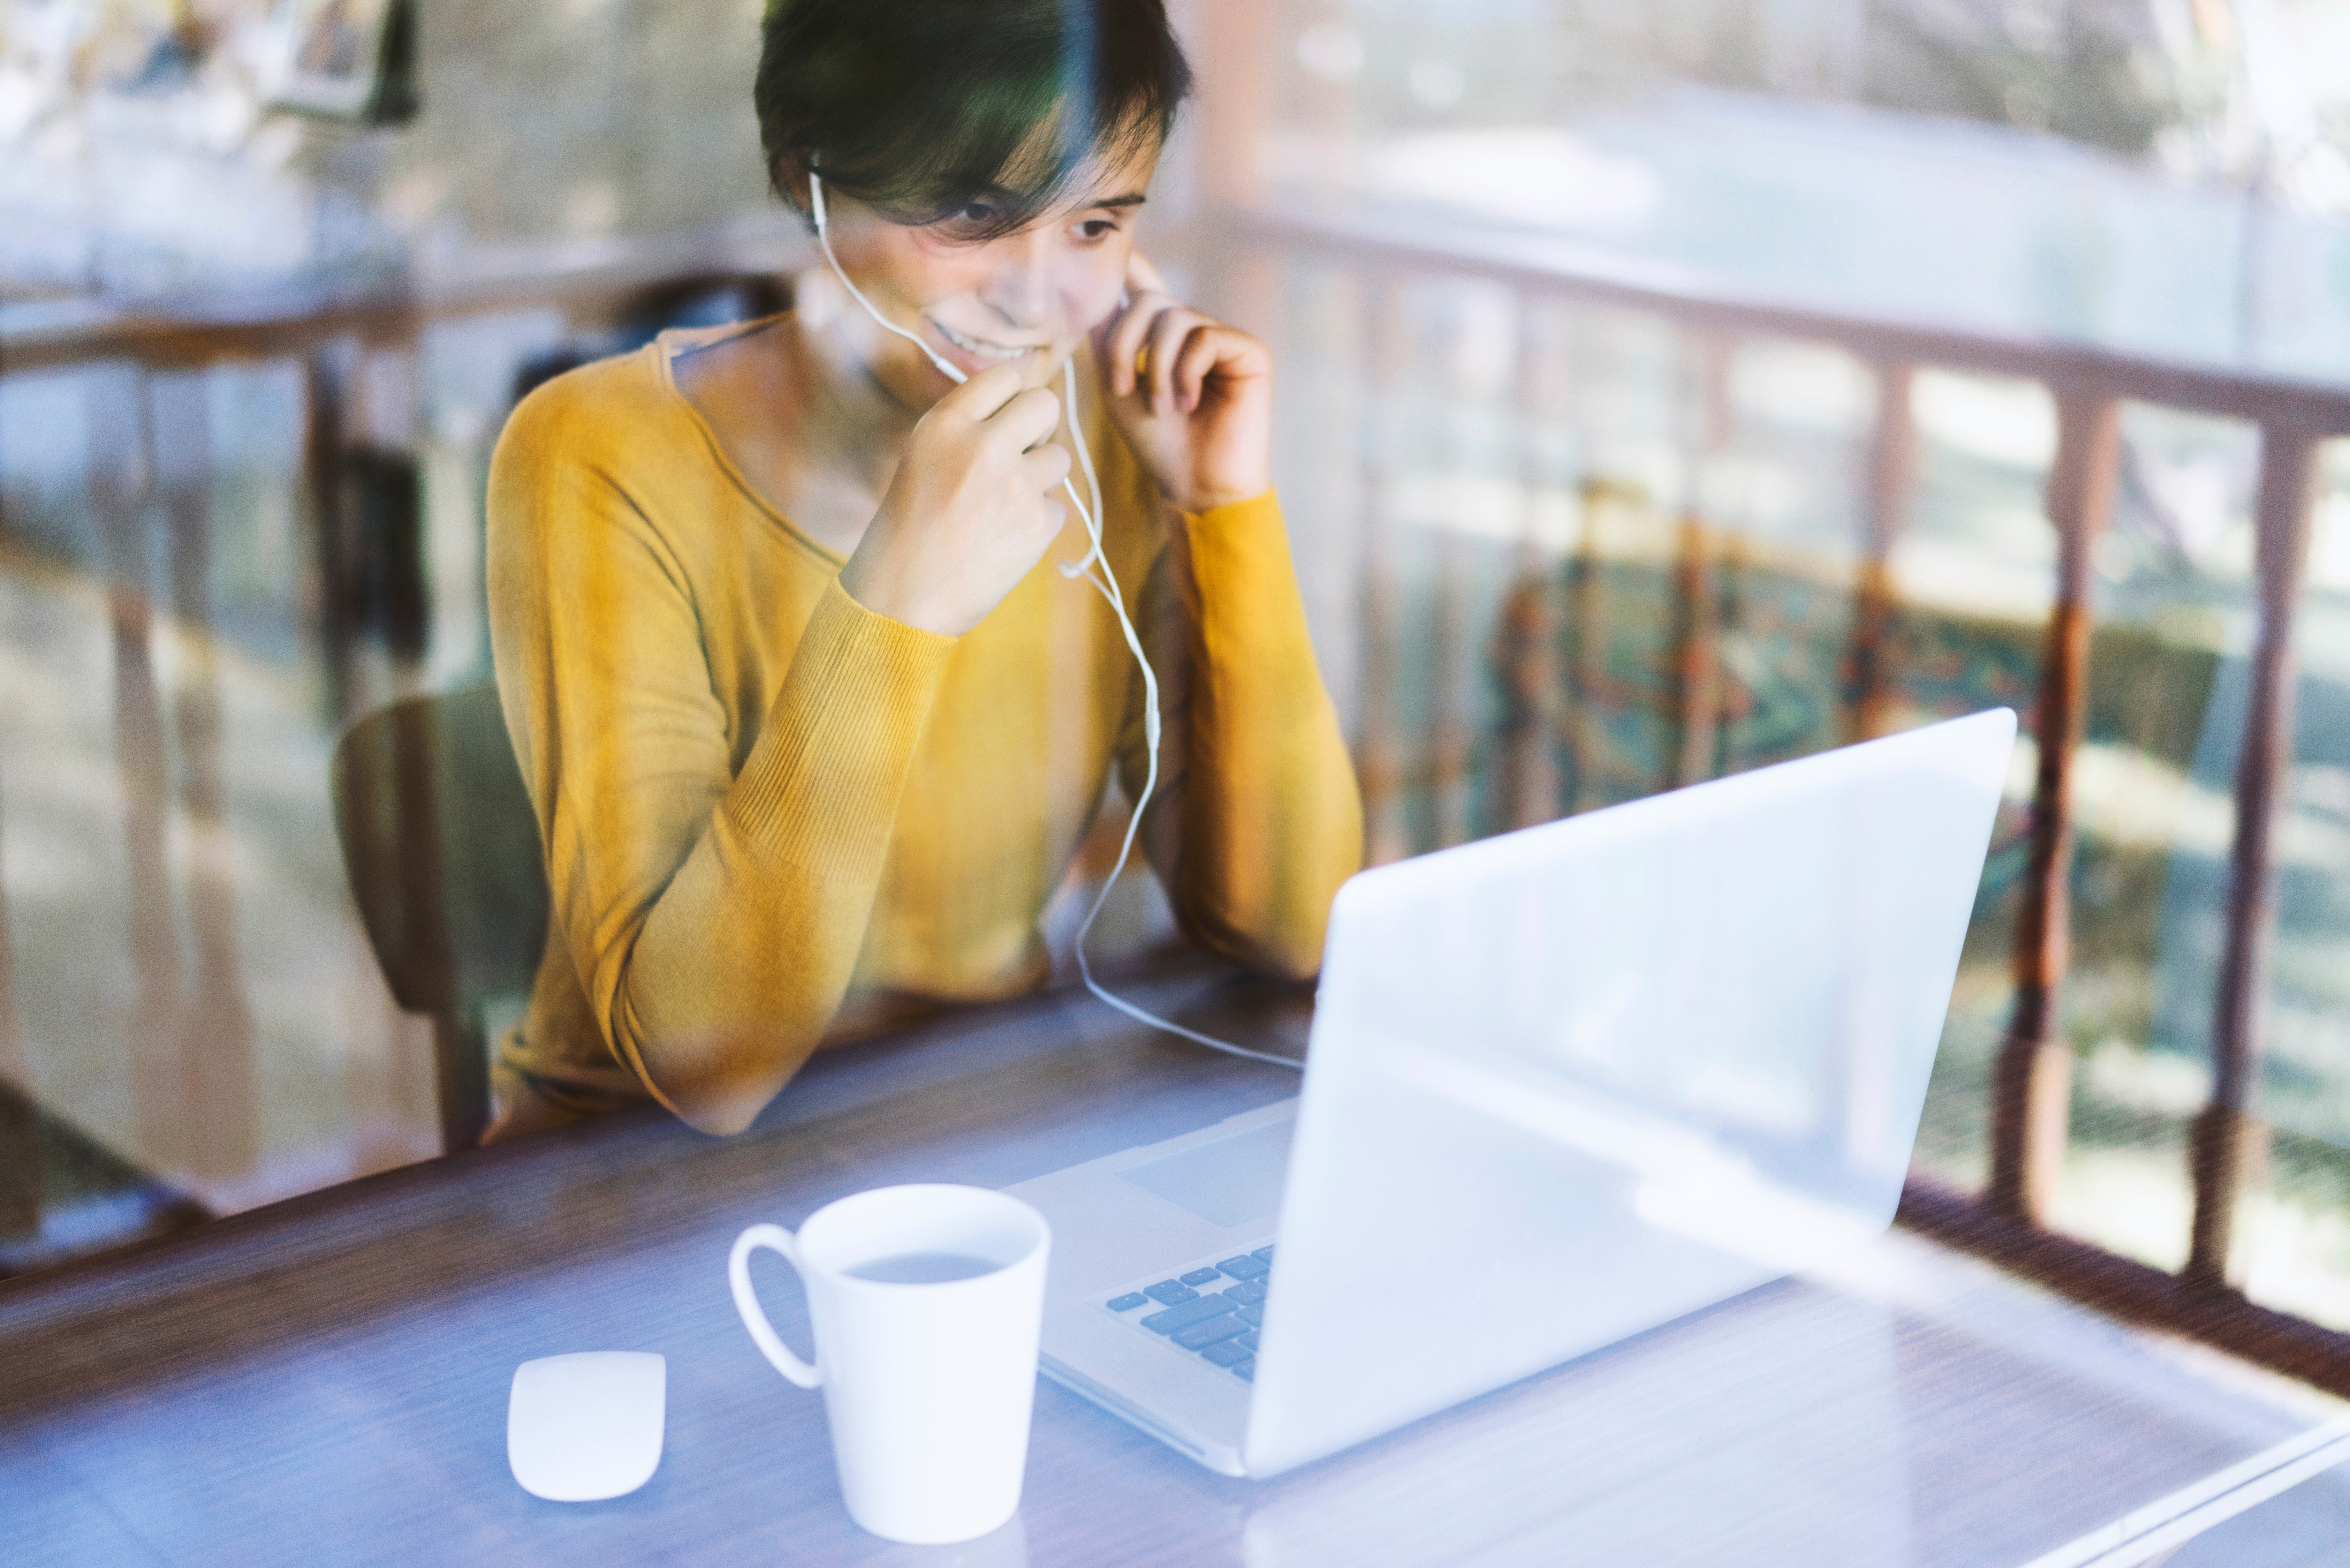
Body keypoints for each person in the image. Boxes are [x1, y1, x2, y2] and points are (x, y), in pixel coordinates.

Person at [484, 0, 1361, 1140]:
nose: (1039, 299)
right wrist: (897, 602)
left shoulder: (1118, 436)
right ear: (810, 182)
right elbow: (711, 1073)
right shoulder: (597, 448)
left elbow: (1292, 928)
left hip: (977, 1132)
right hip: (626, 1182)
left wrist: (1220, 507)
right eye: (973, 216)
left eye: (1095, 225)